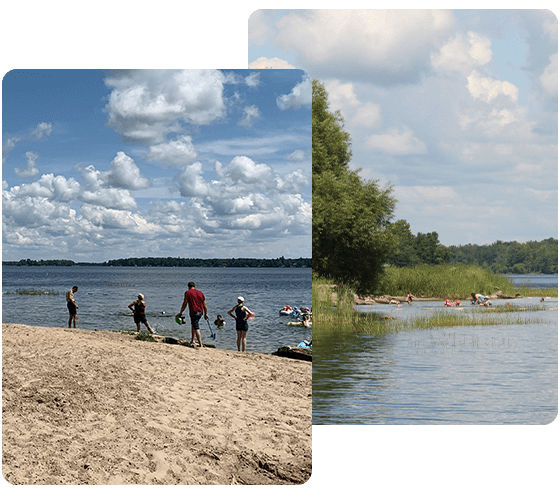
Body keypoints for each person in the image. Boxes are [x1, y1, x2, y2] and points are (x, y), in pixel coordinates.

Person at [177, 282, 208, 347]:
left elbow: (185, 304)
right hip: (200, 312)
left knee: (196, 327)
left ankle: (200, 344)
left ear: (188, 286)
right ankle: (192, 340)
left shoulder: (187, 292)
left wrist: (180, 312)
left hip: (194, 312)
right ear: (194, 286)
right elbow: (205, 304)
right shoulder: (200, 293)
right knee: (193, 324)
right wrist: (206, 313)